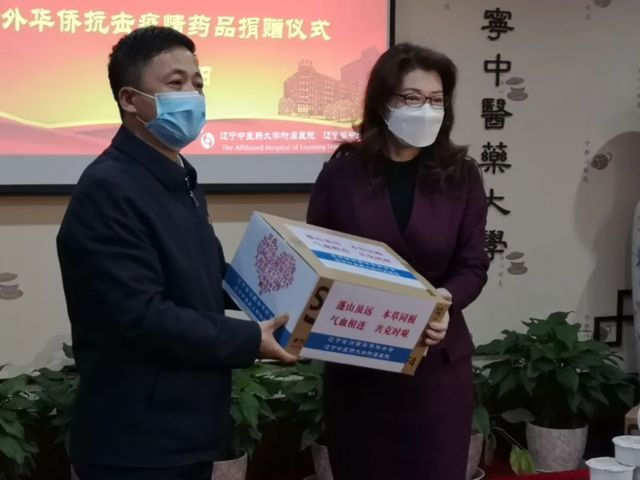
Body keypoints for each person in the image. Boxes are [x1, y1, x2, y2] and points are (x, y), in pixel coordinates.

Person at [57, 26, 296, 480]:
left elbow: (203, 277)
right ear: (130, 99)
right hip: (137, 441)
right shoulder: (108, 189)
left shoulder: (178, 176)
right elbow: (140, 315)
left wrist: (291, 290)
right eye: (176, 83)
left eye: (198, 83)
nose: (193, 95)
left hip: (187, 427)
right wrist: (249, 340)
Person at [306, 43, 490, 480]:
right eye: (412, 98)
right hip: (360, 364)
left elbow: (473, 265)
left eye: (436, 100)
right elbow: (317, 257)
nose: (426, 109)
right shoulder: (342, 173)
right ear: (383, 101)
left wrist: (445, 301)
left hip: (436, 365)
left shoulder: (461, 175)